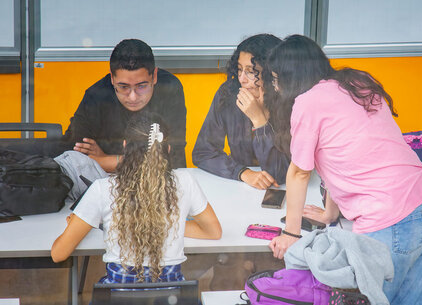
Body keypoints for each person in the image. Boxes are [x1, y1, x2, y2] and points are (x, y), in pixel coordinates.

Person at [267, 35, 422, 305]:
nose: (275, 86)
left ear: (291, 77)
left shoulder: (308, 102)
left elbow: (299, 173)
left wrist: (291, 236)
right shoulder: (356, 84)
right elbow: (348, 156)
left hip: (391, 221)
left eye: (276, 78)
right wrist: (329, 213)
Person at [51, 113, 222, 283]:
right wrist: (167, 223)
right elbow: (213, 232)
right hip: (172, 298)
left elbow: (59, 254)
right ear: (168, 149)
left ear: (125, 147)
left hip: (118, 298)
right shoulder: (185, 182)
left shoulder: (102, 189)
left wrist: (90, 223)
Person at [63, 38, 187, 172]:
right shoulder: (96, 97)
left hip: (159, 183)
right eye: (123, 87)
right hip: (108, 184)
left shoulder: (169, 89)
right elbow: (72, 159)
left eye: (141, 86)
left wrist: (105, 160)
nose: (132, 97)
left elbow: (173, 158)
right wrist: (148, 159)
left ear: (154, 76)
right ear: (112, 78)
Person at [192, 34, 290, 189]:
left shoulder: (290, 100)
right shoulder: (229, 94)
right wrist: (243, 173)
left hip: (283, 190)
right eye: (239, 70)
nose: (242, 79)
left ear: (272, 73)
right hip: (240, 187)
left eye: (251, 71)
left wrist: (259, 120)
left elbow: (280, 174)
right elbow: (203, 152)